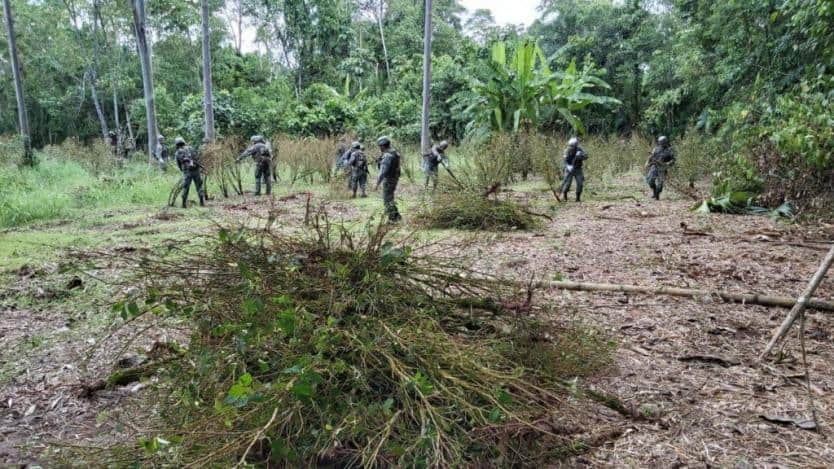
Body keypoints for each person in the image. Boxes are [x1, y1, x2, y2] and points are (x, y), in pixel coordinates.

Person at [374, 136, 402, 222]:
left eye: (380, 146)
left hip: (389, 179)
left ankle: (393, 219)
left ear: (382, 146)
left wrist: (377, 183)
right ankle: (397, 216)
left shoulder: (387, 155)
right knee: (390, 198)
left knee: (387, 200)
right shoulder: (394, 152)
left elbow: (383, 171)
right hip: (394, 178)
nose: (380, 148)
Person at [174, 137, 204, 208]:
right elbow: (198, 157)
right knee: (199, 186)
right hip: (196, 170)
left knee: (185, 187)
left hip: (187, 172)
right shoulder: (191, 148)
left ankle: (184, 204)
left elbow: (179, 164)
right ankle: (202, 202)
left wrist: (182, 170)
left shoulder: (178, 152)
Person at [645, 135, 676, 200]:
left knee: (660, 184)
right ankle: (654, 191)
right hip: (654, 166)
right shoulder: (656, 149)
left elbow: (673, 160)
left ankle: (657, 194)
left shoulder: (670, 150)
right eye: (660, 142)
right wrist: (647, 163)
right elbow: (650, 156)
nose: (661, 144)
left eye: (662, 143)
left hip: (662, 168)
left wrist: (667, 163)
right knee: (650, 181)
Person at [560, 137, 587, 202]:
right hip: (569, 169)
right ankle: (565, 195)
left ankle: (578, 198)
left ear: (576, 145)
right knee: (567, 183)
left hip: (578, 169)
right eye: (570, 145)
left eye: (573, 145)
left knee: (580, 183)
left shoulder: (579, 149)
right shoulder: (566, 150)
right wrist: (568, 166)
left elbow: (586, 156)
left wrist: (581, 156)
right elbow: (565, 160)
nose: (571, 147)